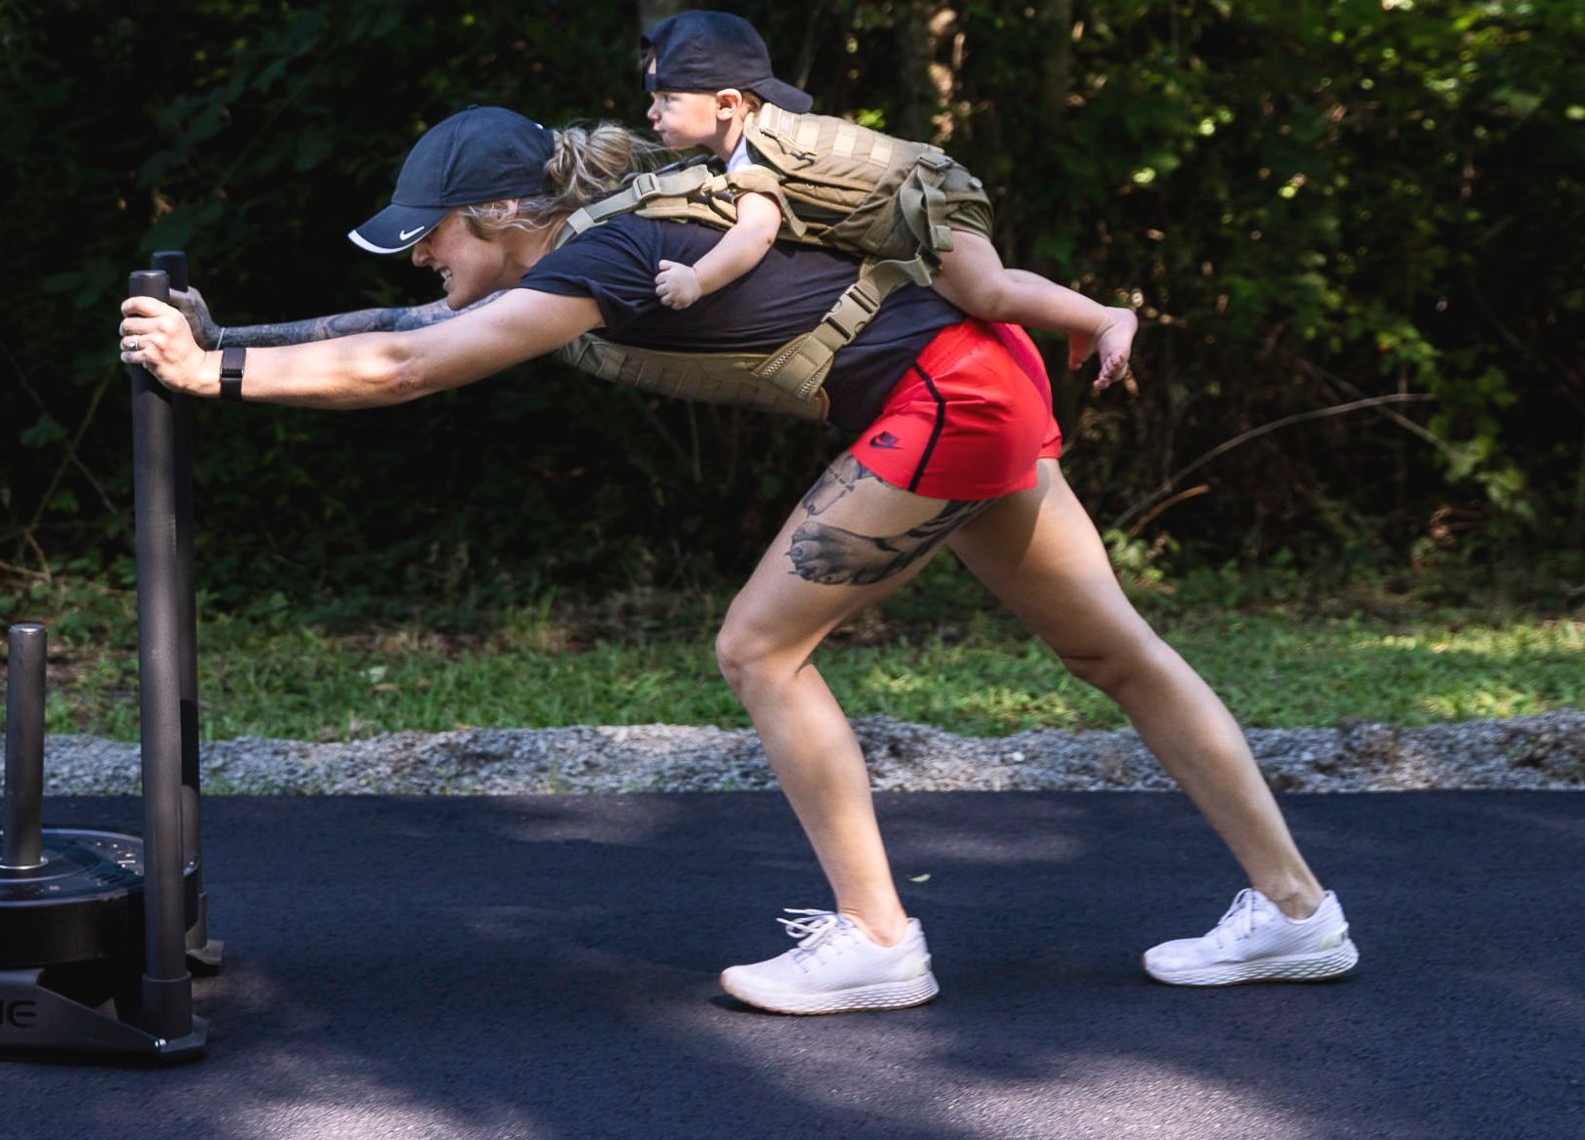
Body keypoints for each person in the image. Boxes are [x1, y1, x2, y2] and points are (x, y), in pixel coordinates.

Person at [120, 105, 1358, 1015]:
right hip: (969, 375)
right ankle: (1299, 913)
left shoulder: (599, 256)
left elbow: (408, 367)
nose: (421, 259)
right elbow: (410, 325)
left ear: (502, 213)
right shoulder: (573, 247)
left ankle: (878, 938)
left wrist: (205, 372)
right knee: (1113, 650)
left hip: (940, 396)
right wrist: (228, 339)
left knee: (759, 647)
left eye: (431, 236)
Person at [641, 10, 1137, 393]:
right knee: (990, 284)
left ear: (728, 104)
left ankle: (1107, 318)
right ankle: (1081, 316)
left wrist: (696, 280)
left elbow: (756, 232)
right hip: (935, 193)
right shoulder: (761, 136)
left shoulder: (757, 154)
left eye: (668, 100)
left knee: (986, 294)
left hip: (930, 207)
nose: (653, 113)